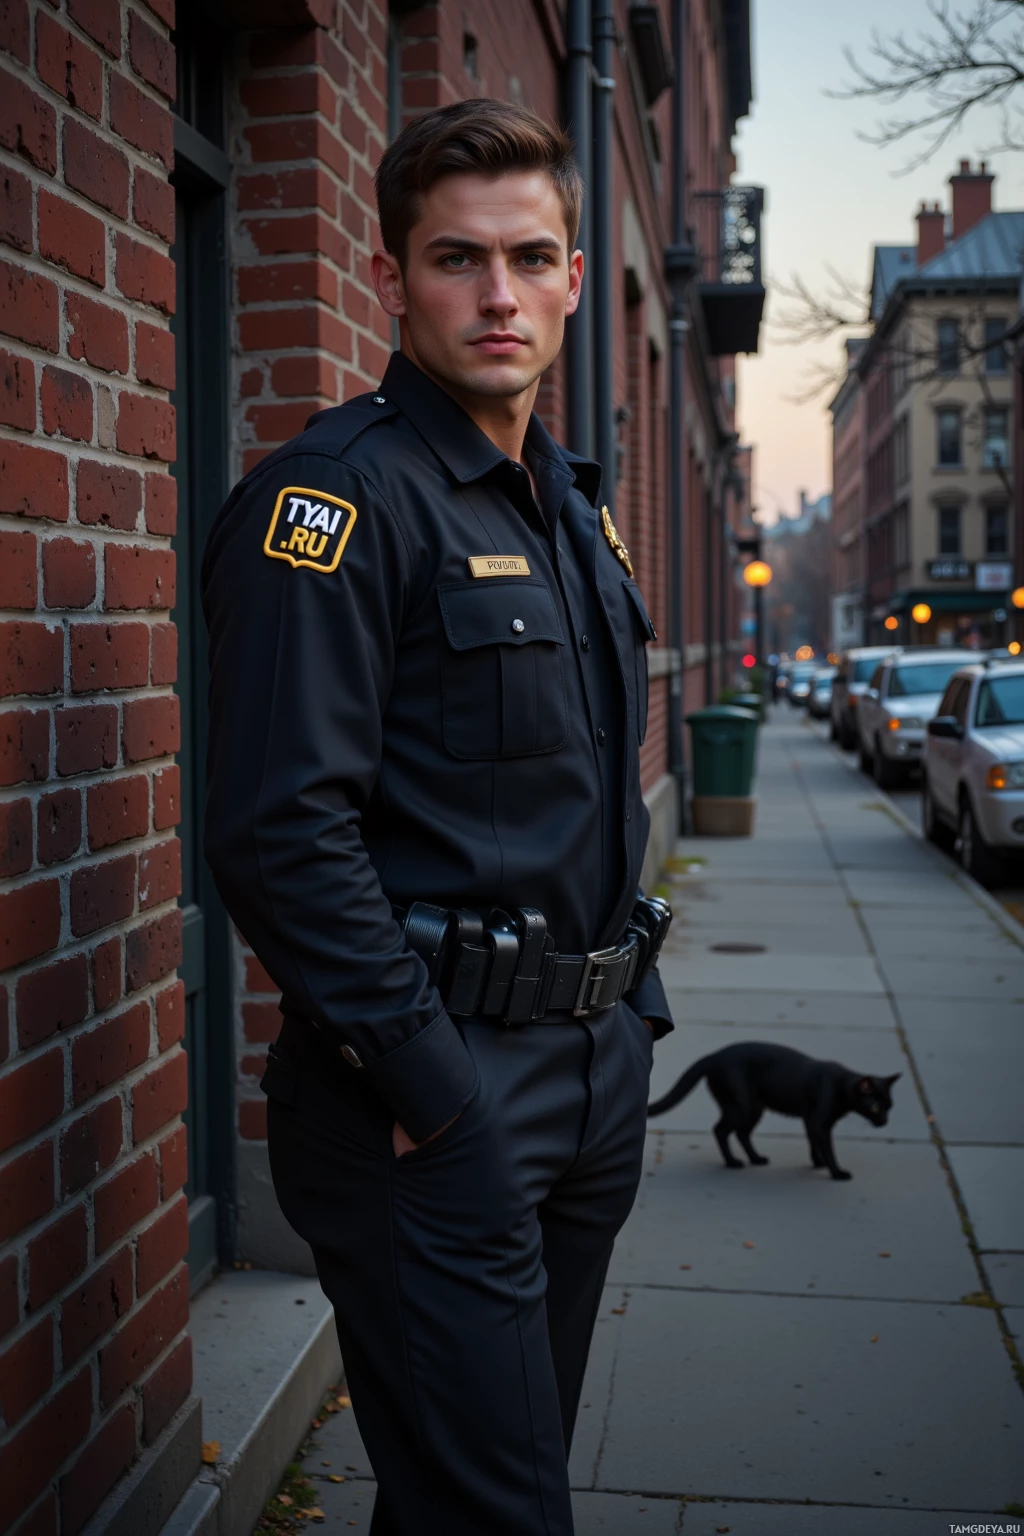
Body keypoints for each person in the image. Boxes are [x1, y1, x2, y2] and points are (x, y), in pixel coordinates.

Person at [202, 98, 673, 1536]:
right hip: (433, 1094)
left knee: (470, 1501)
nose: (498, 294)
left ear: (576, 280)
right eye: (456, 258)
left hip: (592, 1076)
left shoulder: (568, 510)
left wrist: (630, 1018)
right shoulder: (334, 501)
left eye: (531, 258)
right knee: (500, 1514)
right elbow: (282, 834)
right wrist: (432, 1085)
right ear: (393, 277)